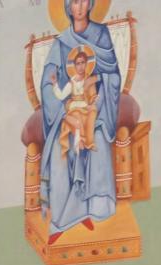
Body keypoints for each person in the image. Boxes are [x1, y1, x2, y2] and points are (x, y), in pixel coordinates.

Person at [39, 0, 121, 246]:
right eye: (74, 1)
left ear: (91, 4)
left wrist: (97, 102)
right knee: (60, 150)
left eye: (84, 0)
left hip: (95, 110)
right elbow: (47, 83)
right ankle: (63, 219)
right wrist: (61, 108)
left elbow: (113, 74)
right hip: (68, 112)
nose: (79, 5)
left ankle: (89, 209)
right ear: (67, 6)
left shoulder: (102, 34)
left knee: (94, 140)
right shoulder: (61, 42)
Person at [51, 48, 98, 156]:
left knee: (92, 111)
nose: (80, 66)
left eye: (82, 63)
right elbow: (61, 95)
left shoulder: (89, 80)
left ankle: (89, 142)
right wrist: (54, 84)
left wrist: (93, 100)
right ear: (74, 66)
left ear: (86, 64)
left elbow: (92, 97)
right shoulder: (71, 82)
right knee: (76, 116)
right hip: (74, 107)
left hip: (85, 106)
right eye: (78, 63)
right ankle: (80, 140)